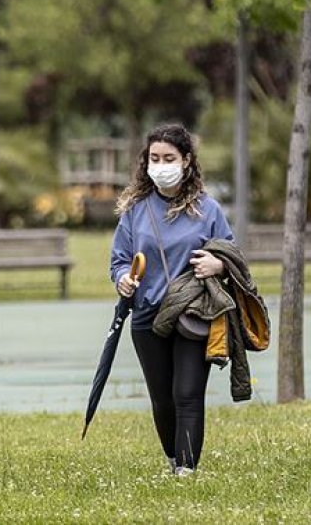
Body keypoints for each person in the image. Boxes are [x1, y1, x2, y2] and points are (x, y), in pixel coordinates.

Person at [109, 123, 234, 476]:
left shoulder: (208, 210)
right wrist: (123, 281)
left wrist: (218, 262)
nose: (161, 164)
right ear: (145, 162)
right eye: (155, 158)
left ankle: (187, 469)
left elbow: (232, 254)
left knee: (188, 394)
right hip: (148, 316)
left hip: (194, 314)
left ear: (187, 161)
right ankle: (172, 458)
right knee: (163, 399)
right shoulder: (135, 210)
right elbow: (119, 260)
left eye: (169, 158)